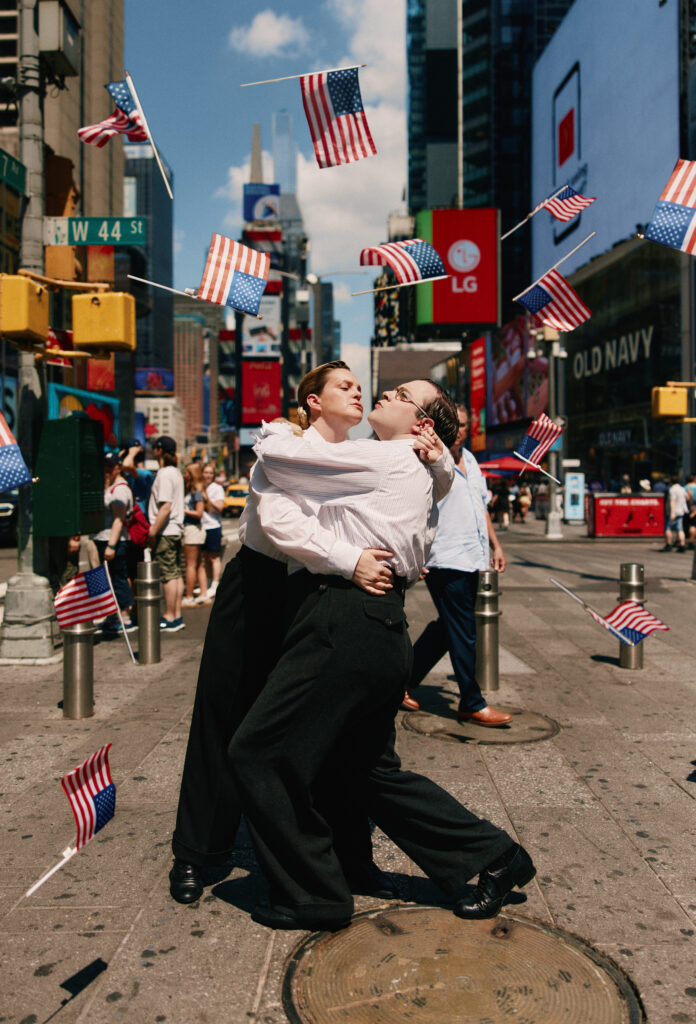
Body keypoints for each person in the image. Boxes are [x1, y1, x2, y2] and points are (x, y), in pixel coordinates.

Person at [228, 381, 534, 932]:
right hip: (381, 626)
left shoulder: (384, 458)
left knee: (259, 752)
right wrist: (440, 462)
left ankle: (311, 894)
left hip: (345, 622)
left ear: (420, 426)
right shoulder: (419, 468)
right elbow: (437, 484)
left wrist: (282, 426)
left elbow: (278, 455)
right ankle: (496, 856)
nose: (383, 393)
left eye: (399, 394)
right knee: (367, 771)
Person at [170, 362, 410, 906]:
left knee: (330, 725)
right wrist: (351, 561)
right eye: (343, 386)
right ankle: (197, 851)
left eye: (359, 386)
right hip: (260, 586)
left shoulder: (361, 454)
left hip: (321, 594)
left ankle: (348, 855)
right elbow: (280, 523)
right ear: (313, 401)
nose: (358, 393)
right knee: (224, 713)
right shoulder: (283, 443)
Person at [404, 404, 511, 726]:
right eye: (457, 424)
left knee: (447, 628)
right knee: (463, 631)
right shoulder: (431, 459)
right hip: (446, 556)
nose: (462, 430)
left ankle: (400, 683)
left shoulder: (472, 459)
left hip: (472, 556)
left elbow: (480, 507)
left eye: (465, 424)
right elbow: (414, 508)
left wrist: (495, 544)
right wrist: (415, 553)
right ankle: (471, 702)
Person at [93, 452, 135, 636]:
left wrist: (111, 546)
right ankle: (113, 616)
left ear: (118, 467)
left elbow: (119, 519)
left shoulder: (119, 489)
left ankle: (124, 616)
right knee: (109, 579)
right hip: (104, 538)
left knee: (117, 578)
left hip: (114, 540)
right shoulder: (111, 487)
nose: (107, 469)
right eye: (105, 465)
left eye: (111, 465)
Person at [148, 436, 185, 631]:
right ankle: (176, 615)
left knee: (168, 575)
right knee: (176, 573)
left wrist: (152, 532)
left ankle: (170, 616)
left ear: (159, 451)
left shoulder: (164, 475)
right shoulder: (176, 473)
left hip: (165, 530)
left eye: (155, 448)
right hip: (176, 529)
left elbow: (165, 508)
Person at [182, 463, 208, 607]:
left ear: (192, 475)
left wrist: (182, 510)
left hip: (193, 529)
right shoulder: (193, 490)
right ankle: (203, 593)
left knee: (190, 565)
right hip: (195, 529)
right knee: (198, 564)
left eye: (186, 472)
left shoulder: (196, 492)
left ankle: (190, 595)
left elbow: (199, 512)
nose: (184, 475)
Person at [201, 462, 225, 600]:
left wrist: (207, 499)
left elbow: (221, 507)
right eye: (206, 472)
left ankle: (215, 585)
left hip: (213, 526)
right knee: (206, 557)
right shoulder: (200, 487)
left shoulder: (217, 488)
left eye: (211, 473)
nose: (208, 475)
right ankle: (208, 583)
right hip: (202, 526)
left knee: (214, 557)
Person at [663, 475, 688, 552]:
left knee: (668, 528)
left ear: (671, 482)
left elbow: (672, 501)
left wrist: (672, 513)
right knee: (680, 529)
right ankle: (682, 544)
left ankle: (669, 544)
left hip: (673, 512)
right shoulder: (682, 489)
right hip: (681, 511)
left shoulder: (672, 490)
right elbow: (687, 498)